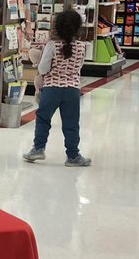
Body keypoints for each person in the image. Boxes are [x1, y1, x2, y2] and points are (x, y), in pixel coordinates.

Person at [24, 9, 91, 166]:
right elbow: (79, 66)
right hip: (73, 90)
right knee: (71, 123)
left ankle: (38, 149)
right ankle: (73, 156)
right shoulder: (82, 47)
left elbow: (43, 68)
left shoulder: (52, 45)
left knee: (43, 119)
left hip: (51, 89)